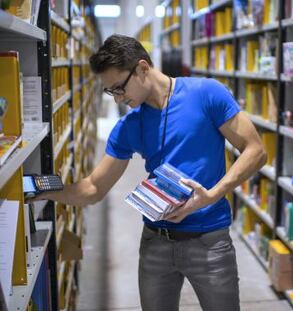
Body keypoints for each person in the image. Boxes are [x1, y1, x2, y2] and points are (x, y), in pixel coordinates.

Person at [36, 34, 267, 311]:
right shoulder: (128, 126)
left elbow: (256, 150)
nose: (119, 99)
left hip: (210, 241)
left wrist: (212, 195)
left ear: (143, 68)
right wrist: (44, 191)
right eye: (112, 92)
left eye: (120, 88)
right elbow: (94, 188)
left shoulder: (206, 93)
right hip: (156, 242)